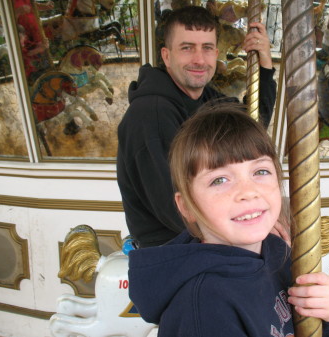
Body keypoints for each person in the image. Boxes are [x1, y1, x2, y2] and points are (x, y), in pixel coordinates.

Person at [128, 103, 329, 337]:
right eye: (219, 180)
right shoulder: (206, 306)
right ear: (187, 207)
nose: (248, 191)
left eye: (260, 172)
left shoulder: (277, 250)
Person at [117, 5, 277, 248]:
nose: (199, 59)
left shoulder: (206, 100)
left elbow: (250, 128)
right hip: (173, 250)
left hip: (203, 237)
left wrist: (264, 68)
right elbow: (172, 206)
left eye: (207, 48)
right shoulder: (151, 114)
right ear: (166, 56)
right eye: (187, 48)